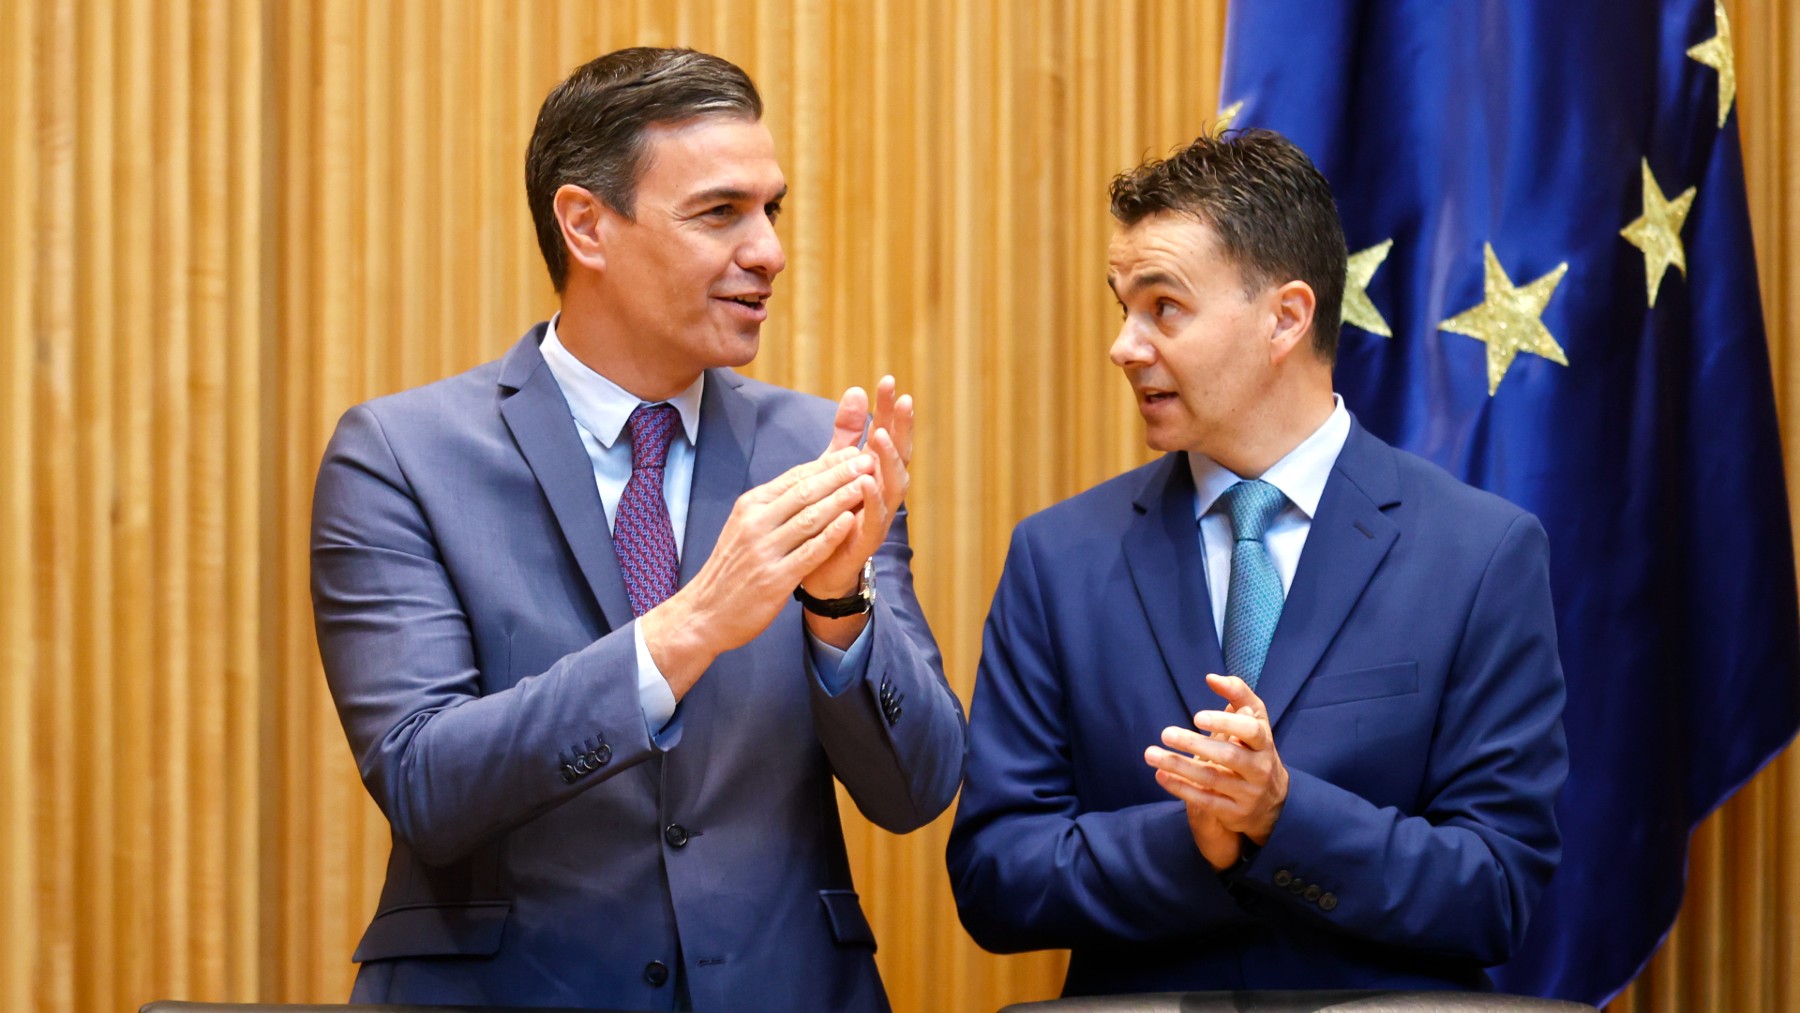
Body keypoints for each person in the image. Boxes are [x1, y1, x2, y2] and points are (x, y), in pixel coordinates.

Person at [311, 47, 965, 1012]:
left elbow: (917, 790)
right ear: (586, 224)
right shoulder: (401, 455)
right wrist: (690, 625)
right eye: (719, 212)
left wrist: (837, 609)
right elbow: (425, 781)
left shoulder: (820, 450)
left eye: (771, 209)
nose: (768, 251)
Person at [945, 130, 1567, 995]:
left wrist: (1284, 816)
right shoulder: (1059, 558)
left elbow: (1496, 888)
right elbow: (993, 876)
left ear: (1287, 316)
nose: (1125, 345)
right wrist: (1192, 842)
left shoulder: (1479, 553)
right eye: (1122, 306)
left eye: (1164, 307)